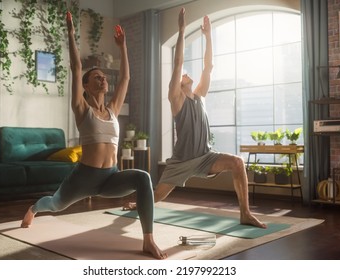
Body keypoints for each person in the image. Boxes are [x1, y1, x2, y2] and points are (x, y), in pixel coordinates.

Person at [20, 11, 167, 260]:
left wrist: (123, 47)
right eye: (96, 77)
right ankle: (34, 208)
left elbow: (126, 78)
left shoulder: (113, 110)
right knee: (55, 205)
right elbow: (76, 68)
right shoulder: (81, 109)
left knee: (142, 177)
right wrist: (70, 33)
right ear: (86, 86)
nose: (102, 80)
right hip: (83, 178)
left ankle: (148, 240)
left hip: (110, 178)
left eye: (104, 78)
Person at [124, 8, 266, 229]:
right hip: (181, 161)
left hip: (205, 156)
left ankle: (245, 213)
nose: (184, 73)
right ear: (178, 84)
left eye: (185, 74)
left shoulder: (199, 95)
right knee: (157, 197)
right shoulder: (176, 98)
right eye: (181, 75)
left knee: (237, 162)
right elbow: (178, 61)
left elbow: (208, 66)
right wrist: (181, 30)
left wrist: (208, 36)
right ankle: (136, 204)